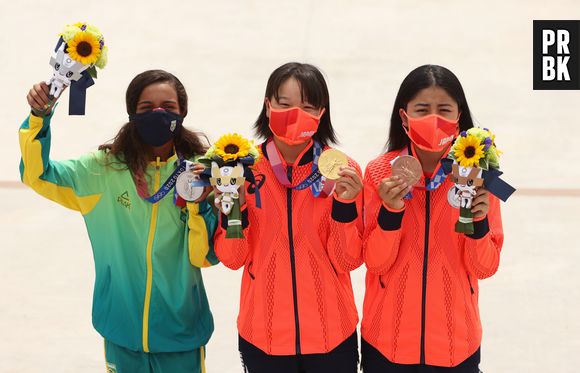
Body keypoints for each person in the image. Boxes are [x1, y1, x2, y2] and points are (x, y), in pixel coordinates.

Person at [19, 69, 218, 373]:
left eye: (168, 107)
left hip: (181, 332)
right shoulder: (103, 171)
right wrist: (38, 117)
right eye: (147, 108)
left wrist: (198, 206)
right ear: (132, 114)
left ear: (183, 113)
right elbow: (37, 174)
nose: (158, 114)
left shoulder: (202, 174)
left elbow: (205, 256)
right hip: (121, 328)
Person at [214, 62, 363, 373]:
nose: (295, 114)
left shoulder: (342, 170)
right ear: (268, 105)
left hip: (332, 335)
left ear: (322, 112)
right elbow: (232, 257)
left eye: (308, 106)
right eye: (284, 104)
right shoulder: (240, 170)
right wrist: (236, 211)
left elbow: (347, 259)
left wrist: (345, 206)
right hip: (263, 335)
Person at [361, 64, 503, 372]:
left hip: (457, 345)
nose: (434, 119)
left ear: (458, 117)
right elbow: (374, 262)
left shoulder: (479, 176)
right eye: (423, 110)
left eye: (444, 110)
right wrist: (390, 213)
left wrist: (479, 226)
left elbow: (485, 267)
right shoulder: (379, 172)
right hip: (386, 344)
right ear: (404, 117)